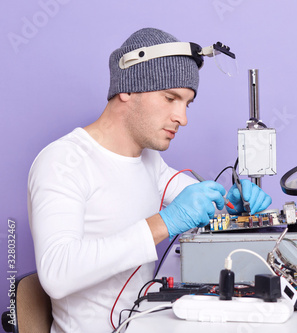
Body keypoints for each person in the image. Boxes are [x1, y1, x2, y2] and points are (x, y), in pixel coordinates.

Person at [27, 27, 272, 333]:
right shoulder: (64, 161)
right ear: (127, 88)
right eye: (171, 98)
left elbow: (201, 202)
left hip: (144, 324)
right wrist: (164, 223)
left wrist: (232, 205)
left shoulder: (149, 161)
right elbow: (56, 273)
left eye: (187, 104)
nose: (183, 118)